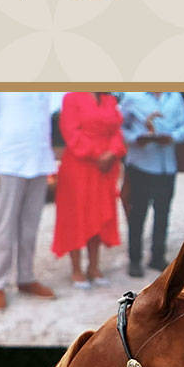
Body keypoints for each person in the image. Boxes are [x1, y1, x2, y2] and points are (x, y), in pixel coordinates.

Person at [0, 91, 58, 310]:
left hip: (38, 162)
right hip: (9, 162)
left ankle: (26, 278)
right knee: (5, 228)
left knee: (30, 228)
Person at [52, 91, 124, 285]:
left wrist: (112, 152)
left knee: (98, 214)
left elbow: (117, 131)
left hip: (104, 169)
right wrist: (98, 154)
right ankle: (76, 269)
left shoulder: (110, 99)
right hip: (79, 165)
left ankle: (94, 266)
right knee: (75, 216)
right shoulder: (71, 97)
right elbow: (70, 132)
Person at [117, 90, 184, 278]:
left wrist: (172, 137)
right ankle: (135, 259)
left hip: (167, 165)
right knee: (138, 213)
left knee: (163, 213)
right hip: (141, 164)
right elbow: (120, 126)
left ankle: (158, 256)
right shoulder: (133, 96)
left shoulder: (175, 97)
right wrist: (136, 138)